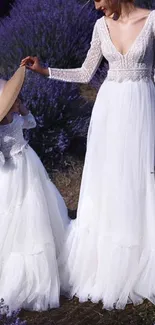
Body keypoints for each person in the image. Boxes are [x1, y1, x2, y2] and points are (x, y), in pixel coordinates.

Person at [21, 0, 155, 310]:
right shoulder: (100, 26)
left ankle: (142, 248)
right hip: (110, 111)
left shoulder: (151, 21)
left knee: (142, 176)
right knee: (110, 179)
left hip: (143, 107)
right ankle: (110, 254)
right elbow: (85, 73)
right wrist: (45, 70)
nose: (95, 5)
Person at [0, 75, 69, 312]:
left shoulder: (16, 113)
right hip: (11, 171)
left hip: (28, 161)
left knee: (38, 203)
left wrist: (24, 110)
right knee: (16, 211)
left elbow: (31, 124)